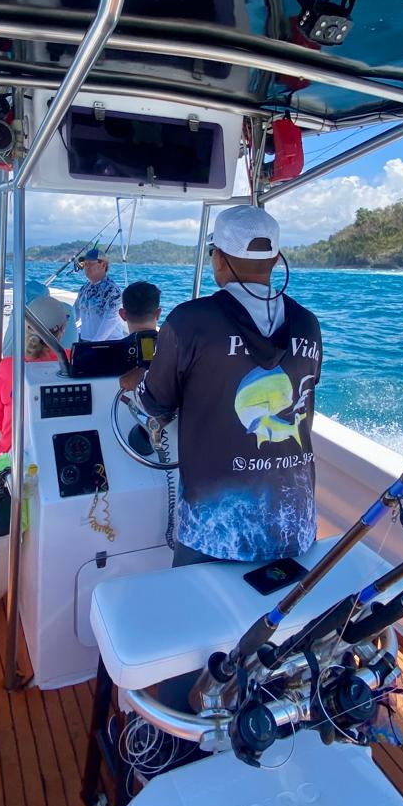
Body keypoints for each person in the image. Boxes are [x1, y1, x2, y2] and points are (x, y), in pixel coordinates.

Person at [122, 205, 322, 567]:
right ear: (276, 258)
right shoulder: (308, 324)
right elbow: (303, 399)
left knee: (195, 616)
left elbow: (156, 404)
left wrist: (134, 383)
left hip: (215, 530)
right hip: (295, 524)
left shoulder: (189, 322)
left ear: (219, 259)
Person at [0, 293, 70, 456]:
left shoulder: (7, 367)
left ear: (26, 326)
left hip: (12, 457)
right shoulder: (75, 361)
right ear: (63, 329)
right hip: (59, 453)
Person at [74, 247, 126, 341]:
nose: (87, 267)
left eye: (91, 263)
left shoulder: (112, 290)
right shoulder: (84, 288)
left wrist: (93, 345)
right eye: (85, 264)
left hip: (109, 344)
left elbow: (111, 320)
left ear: (103, 265)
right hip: (86, 341)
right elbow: (75, 312)